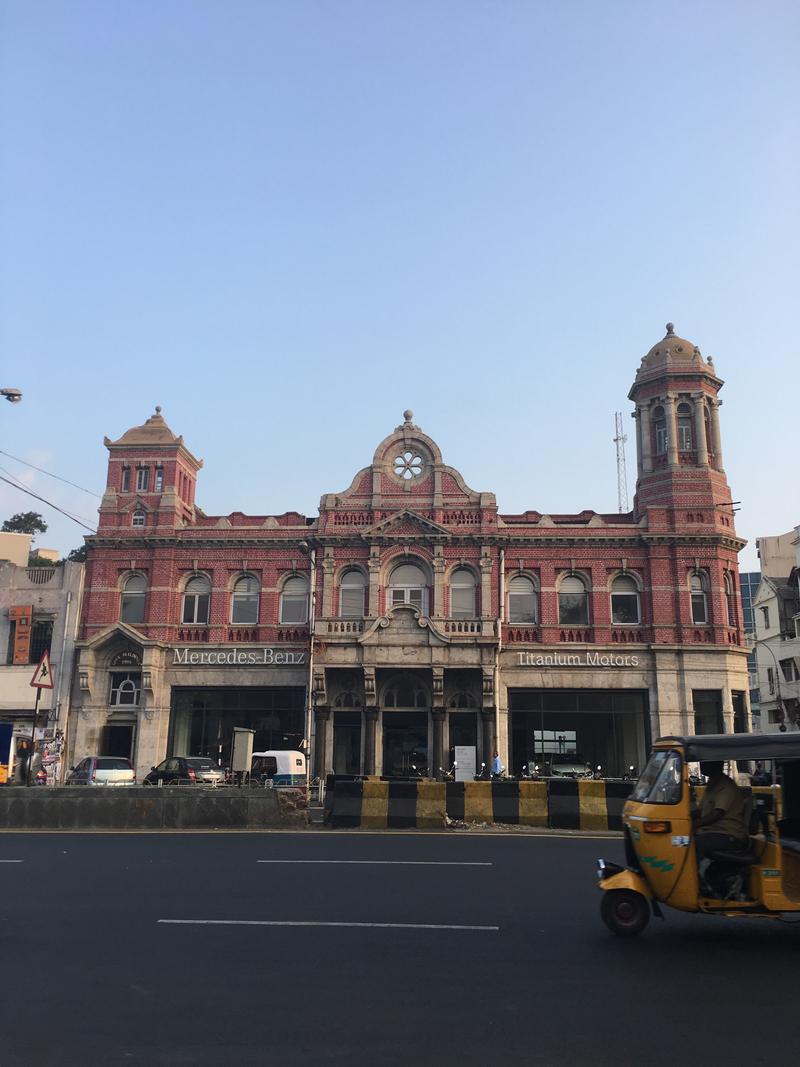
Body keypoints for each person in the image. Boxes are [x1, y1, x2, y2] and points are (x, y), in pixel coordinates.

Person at [692, 760, 749, 867]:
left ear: (716, 764)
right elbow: (700, 811)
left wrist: (695, 824)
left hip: (729, 835)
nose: (702, 765)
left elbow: (717, 813)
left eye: (705, 762)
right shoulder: (712, 784)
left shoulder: (726, 785)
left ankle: (697, 878)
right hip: (713, 832)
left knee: (693, 844)